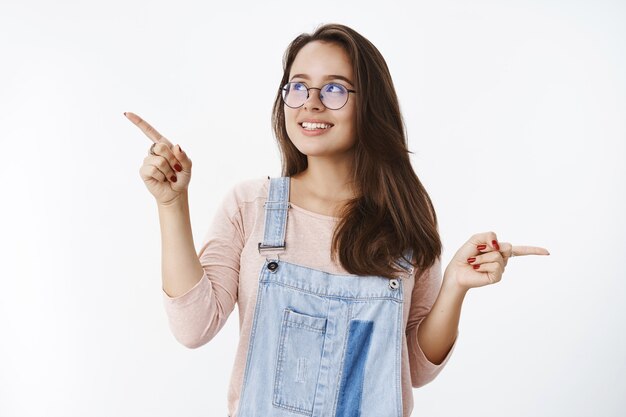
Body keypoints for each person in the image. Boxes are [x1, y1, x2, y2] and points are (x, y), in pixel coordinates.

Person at [125, 23, 549, 417]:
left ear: (370, 105)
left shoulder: (403, 218)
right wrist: (171, 204)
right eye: (298, 86)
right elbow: (193, 328)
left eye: (334, 89)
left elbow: (416, 370)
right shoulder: (250, 204)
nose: (311, 102)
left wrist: (456, 284)